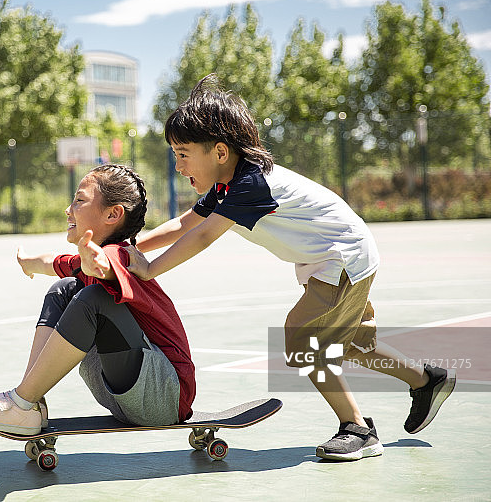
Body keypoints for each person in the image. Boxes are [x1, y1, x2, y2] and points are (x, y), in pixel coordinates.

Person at [126, 73, 456, 461]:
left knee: (302, 339)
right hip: (342, 257)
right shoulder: (227, 183)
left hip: (341, 258)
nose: (179, 166)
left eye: (183, 154)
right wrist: (126, 244)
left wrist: (147, 270)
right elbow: (185, 224)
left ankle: (358, 430)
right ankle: (426, 379)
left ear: (218, 152)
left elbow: (202, 237)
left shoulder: (250, 184)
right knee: (349, 343)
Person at [0, 164, 196, 436]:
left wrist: (95, 264)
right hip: (125, 393)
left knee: (95, 298)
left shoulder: (122, 255)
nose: (69, 209)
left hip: (166, 395)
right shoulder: (89, 259)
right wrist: (27, 262)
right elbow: (51, 263)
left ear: (113, 214)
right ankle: (30, 404)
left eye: (79, 200)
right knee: (64, 288)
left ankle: (18, 404)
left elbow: (105, 266)